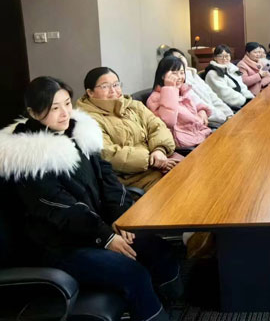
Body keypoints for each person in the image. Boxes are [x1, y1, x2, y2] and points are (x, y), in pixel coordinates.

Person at [0, 77, 181, 321]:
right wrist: (106, 237)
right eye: (54, 108)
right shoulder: (27, 159)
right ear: (33, 112)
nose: (64, 113)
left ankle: (172, 307)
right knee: (132, 273)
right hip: (60, 246)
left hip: (96, 228)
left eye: (67, 104)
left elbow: (108, 178)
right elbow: (64, 210)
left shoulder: (78, 133)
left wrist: (120, 217)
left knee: (158, 248)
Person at [77, 67, 180, 191]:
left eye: (116, 84)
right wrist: (150, 159)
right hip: (132, 178)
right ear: (90, 92)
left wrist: (159, 150)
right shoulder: (87, 120)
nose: (113, 90)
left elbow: (158, 127)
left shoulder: (133, 105)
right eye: (105, 86)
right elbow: (108, 154)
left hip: (161, 161)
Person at [147, 56, 213, 149]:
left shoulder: (182, 90)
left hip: (199, 133)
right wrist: (169, 89)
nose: (179, 77)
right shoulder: (155, 98)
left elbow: (196, 105)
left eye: (182, 73)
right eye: (174, 73)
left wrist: (202, 110)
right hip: (185, 142)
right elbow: (168, 121)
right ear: (162, 76)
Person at [163, 48, 233, 126]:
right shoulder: (180, 82)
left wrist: (229, 113)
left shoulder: (193, 74)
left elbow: (212, 96)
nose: (180, 61)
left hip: (220, 116)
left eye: (180, 57)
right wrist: (224, 118)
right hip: (210, 121)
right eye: (175, 59)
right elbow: (199, 104)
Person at [204, 44, 255, 109]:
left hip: (240, 101)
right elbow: (225, 93)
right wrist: (244, 101)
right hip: (225, 106)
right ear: (215, 58)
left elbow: (241, 86)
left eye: (227, 56)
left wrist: (249, 98)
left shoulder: (231, 69)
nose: (224, 59)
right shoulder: (213, 73)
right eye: (220, 56)